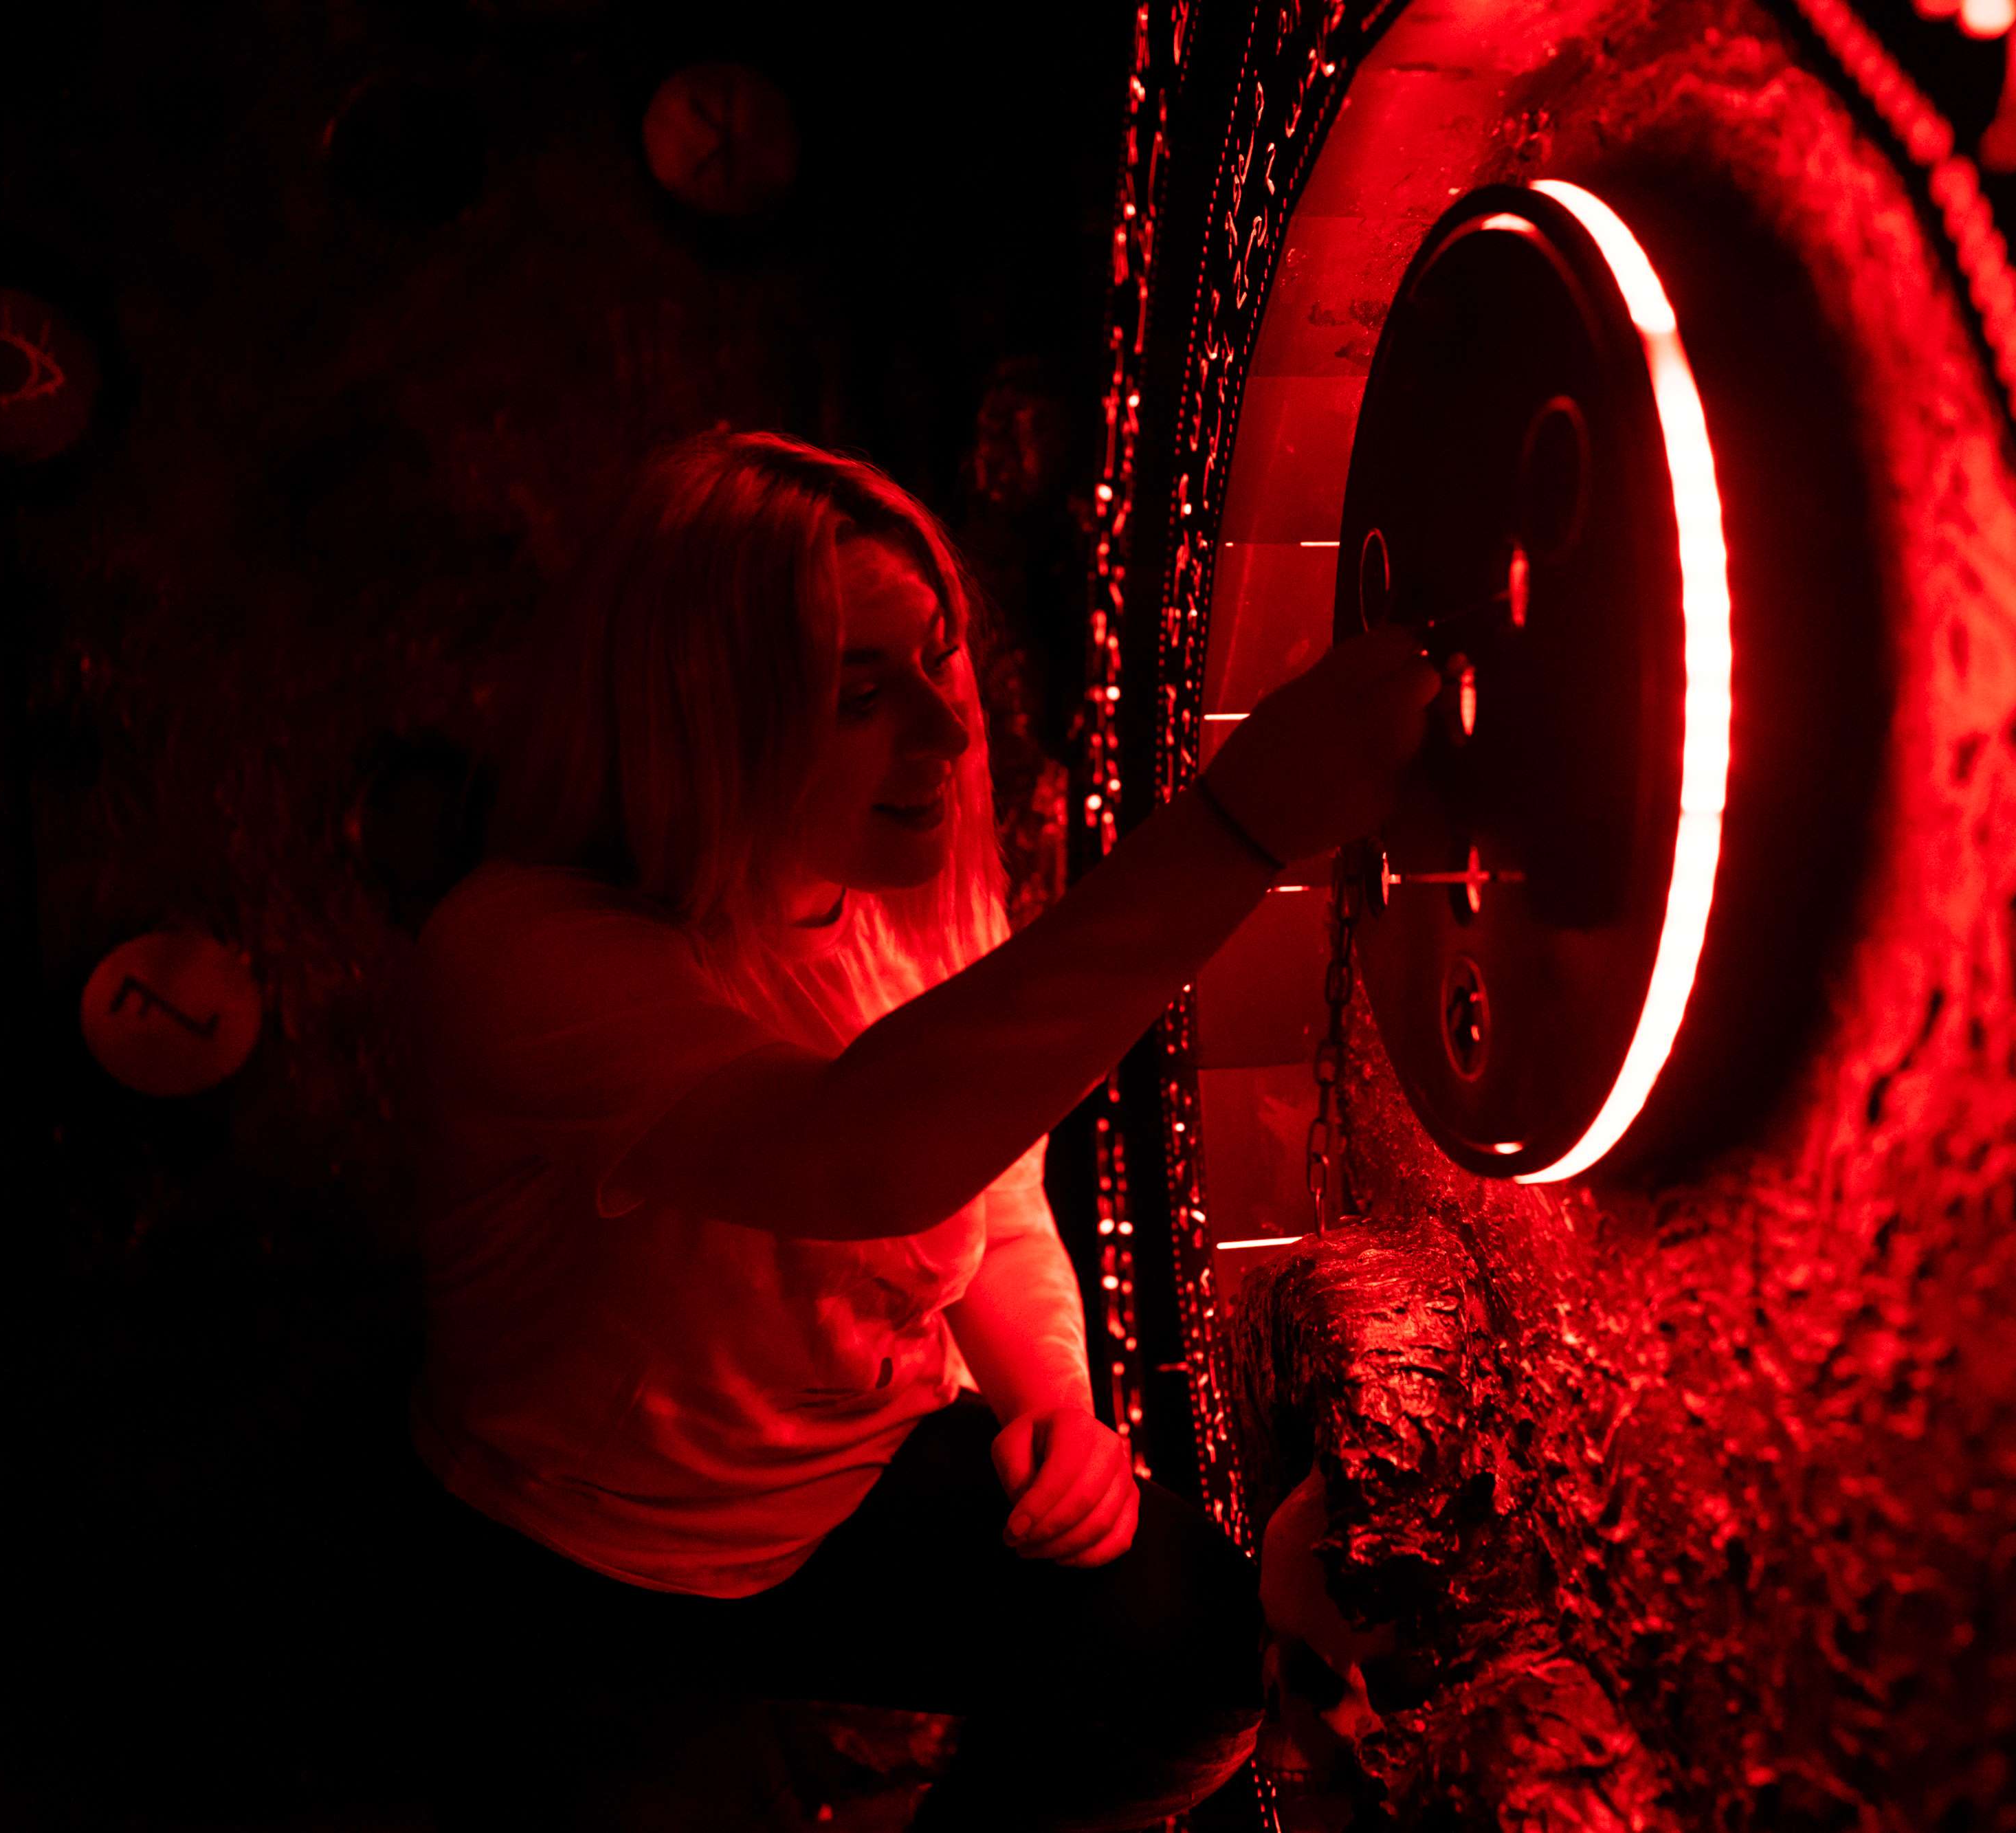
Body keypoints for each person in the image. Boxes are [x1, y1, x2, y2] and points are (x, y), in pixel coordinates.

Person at [403, 430, 1436, 1830]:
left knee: (1184, 1656)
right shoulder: (523, 953)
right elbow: (863, 1152)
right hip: (582, 1556)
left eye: (939, 661)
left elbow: (991, 1193)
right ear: (703, 710)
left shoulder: (906, 898)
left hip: (845, 1486)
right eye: (856, 694)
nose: (948, 736)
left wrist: (1050, 1403)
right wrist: (1242, 825)